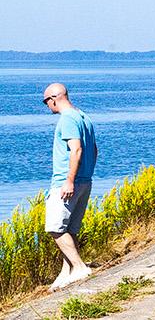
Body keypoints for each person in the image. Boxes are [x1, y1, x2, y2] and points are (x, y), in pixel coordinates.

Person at [42, 83, 97, 291]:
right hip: (86, 180)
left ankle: (80, 267)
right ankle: (66, 274)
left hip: (67, 182)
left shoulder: (67, 119)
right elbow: (94, 149)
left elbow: (76, 150)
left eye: (46, 101)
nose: (47, 106)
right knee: (70, 229)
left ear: (54, 98)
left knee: (55, 228)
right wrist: (85, 174)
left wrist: (69, 180)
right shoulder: (84, 117)